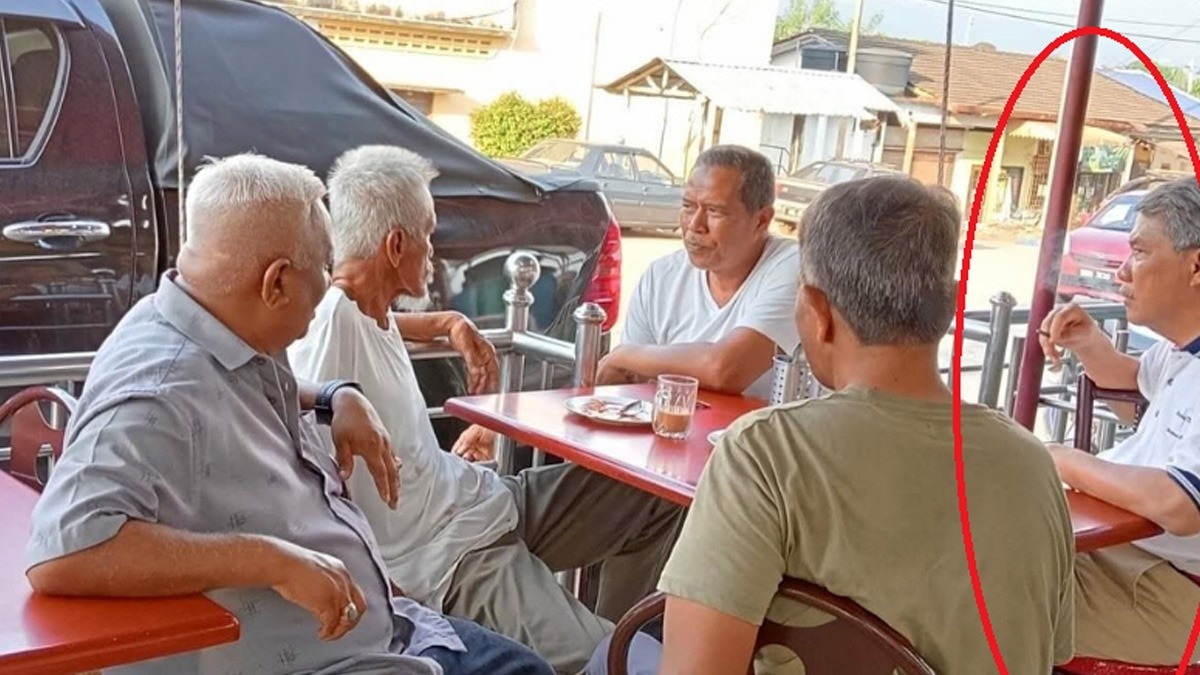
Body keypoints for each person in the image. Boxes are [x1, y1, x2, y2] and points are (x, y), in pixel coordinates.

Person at [24, 153, 553, 675]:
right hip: (328, 659)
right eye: (325, 266)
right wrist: (269, 559)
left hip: (391, 626)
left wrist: (332, 396)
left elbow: (235, 384)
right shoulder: (157, 393)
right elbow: (66, 549)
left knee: (522, 664)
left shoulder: (208, 319)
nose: (331, 282)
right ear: (276, 282)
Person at [591, 176, 1074, 674]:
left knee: (611, 653)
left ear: (817, 311)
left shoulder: (767, 454)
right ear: (949, 307)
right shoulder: (1031, 463)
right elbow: (1051, 655)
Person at [288, 145, 684, 674]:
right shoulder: (330, 326)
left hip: (483, 501)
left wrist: (446, 321)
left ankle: (606, 636)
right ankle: (604, 651)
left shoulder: (369, 309)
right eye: (427, 235)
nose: (432, 251)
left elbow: (368, 319)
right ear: (396, 244)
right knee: (620, 662)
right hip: (455, 558)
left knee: (656, 494)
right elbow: (302, 418)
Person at [1041, 177, 1200, 666]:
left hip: (1172, 596)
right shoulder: (1180, 356)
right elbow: (1133, 385)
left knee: (987, 596)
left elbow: (1180, 505)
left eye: (1140, 253)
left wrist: (1061, 459)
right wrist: (1090, 342)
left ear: (1196, 266)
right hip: (1132, 556)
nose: (1122, 273)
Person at [596, 145, 800, 401]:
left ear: (761, 220)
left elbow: (726, 370)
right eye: (688, 206)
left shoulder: (792, 266)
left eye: (715, 211)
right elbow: (630, 384)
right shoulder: (661, 277)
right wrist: (627, 363)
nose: (695, 225)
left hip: (755, 439)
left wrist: (624, 355)